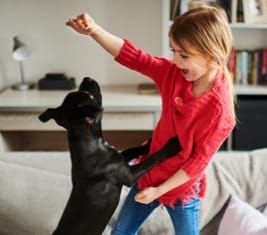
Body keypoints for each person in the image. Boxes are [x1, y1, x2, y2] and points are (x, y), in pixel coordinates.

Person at [66, 4, 235, 235]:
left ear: (212, 57)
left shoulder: (221, 111)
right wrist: (95, 31)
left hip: (182, 187)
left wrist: (159, 191)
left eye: (183, 55)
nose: (175, 61)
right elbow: (135, 57)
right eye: (173, 51)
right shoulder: (174, 75)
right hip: (150, 172)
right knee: (122, 231)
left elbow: (197, 162)